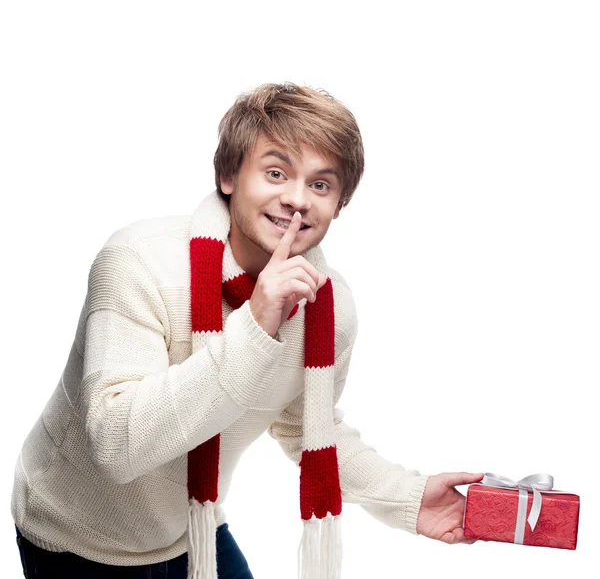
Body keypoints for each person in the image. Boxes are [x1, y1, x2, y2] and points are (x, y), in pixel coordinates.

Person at [11, 81, 484, 579]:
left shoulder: (327, 306)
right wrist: (255, 325)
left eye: (321, 185)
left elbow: (309, 429)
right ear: (229, 174)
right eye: (276, 172)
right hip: (78, 535)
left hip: (192, 524)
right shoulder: (137, 262)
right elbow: (117, 445)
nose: (298, 200)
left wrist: (408, 498)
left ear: (340, 205)